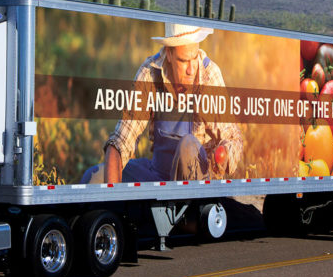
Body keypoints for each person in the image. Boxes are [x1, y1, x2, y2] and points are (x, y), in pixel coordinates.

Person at [83, 23, 244, 184]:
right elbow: (122, 138)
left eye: (194, 58)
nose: (191, 69)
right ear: (169, 54)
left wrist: (224, 154)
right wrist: (113, 191)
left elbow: (233, 138)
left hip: (196, 181)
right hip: (157, 175)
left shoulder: (210, 76)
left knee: (187, 145)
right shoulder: (149, 73)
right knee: (93, 177)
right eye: (183, 61)